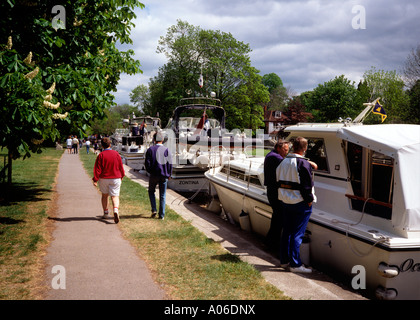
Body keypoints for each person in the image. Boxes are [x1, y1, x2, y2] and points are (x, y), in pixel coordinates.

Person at [276, 137, 316, 273]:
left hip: (285, 201)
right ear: (305, 149)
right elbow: (306, 186)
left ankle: (284, 261)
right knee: (297, 234)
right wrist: (309, 200)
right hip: (300, 202)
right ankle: (295, 264)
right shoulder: (303, 164)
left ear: (293, 147)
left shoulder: (283, 162)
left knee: (286, 231)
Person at [264, 140, 290, 251]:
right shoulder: (274, 157)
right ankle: (271, 244)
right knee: (278, 218)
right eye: (285, 149)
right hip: (274, 192)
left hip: (274, 191)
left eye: (288, 150)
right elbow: (289, 164)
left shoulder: (272, 155)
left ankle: (271, 242)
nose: (286, 152)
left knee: (277, 218)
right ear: (278, 148)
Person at [92, 137, 125, 223]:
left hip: (104, 178)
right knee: (115, 196)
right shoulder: (116, 154)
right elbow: (120, 166)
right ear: (110, 144)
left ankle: (106, 213)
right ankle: (115, 210)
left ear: (102, 146)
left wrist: (95, 179)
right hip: (116, 177)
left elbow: (97, 169)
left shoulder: (101, 155)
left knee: (105, 196)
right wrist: (122, 175)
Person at [145, 132, 172, 220]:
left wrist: (150, 172)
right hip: (164, 175)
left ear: (154, 139)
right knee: (163, 195)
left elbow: (147, 164)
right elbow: (170, 164)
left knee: (151, 191)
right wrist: (169, 174)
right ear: (162, 140)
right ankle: (162, 215)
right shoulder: (167, 150)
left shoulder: (150, 150)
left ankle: (154, 209)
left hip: (154, 174)